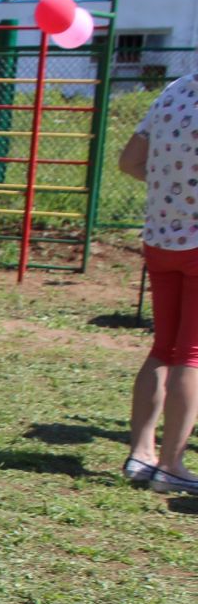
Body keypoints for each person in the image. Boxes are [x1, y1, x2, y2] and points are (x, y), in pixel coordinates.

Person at [118, 76, 198, 493]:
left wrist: (174, 193)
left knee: (163, 349)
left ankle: (141, 453)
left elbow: (129, 161)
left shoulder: (173, 92)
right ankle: (171, 465)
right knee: (192, 354)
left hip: (161, 239)